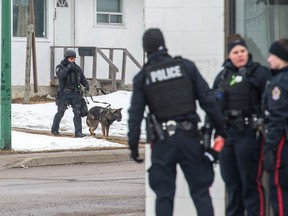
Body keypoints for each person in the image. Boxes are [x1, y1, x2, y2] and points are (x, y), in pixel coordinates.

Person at [128, 28, 226, 216]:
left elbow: (135, 114)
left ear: (146, 49)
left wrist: (133, 146)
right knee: (200, 193)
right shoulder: (185, 67)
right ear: (164, 44)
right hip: (190, 139)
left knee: (164, 195)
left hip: (162, 142)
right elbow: (208, 101)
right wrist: (222, 130)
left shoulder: (144, 77)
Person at [212, 34, 270, 216]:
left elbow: (271, 103)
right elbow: (213, 106)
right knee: (232, 184)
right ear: (229, 55)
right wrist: (214, 134)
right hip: (228, 135)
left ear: (247, 52)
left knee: (249, 183)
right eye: (235, 52)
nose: (240, 55)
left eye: (243, 51)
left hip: (249, 134)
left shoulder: (259, 73)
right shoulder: (222, 76)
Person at [263, 38, 288, 216]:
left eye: (272, 55)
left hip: (282, 143)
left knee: (279, 188)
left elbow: (277, 118)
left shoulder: (279, 83)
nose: (269, 60)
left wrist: (270, 147)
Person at [51, 49, 90, 138]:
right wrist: (68, 68)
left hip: (75, 94)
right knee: (60, 112)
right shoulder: (60, 67)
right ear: (66, 58)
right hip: (64, 94)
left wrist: (86, 85)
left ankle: (78, 132)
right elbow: (60, 76)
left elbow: (82, 78)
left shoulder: (77, 68)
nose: (72, 60)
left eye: (74, 59)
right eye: (71, 59)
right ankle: (54, 129)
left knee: (77, 113)